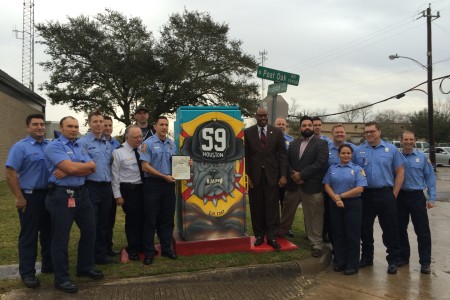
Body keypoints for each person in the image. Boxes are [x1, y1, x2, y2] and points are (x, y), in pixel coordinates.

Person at [45, 116, 103, 294]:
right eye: (69, 126)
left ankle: (85, 267)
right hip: (61, 195)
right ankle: (61, 278)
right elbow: (72, 169)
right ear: (61, 128)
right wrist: (80, 167)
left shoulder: (80, 145)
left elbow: (94, 167)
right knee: (61, 238)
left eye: (76, 126)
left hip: (82, 193)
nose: (73, 129)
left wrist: (77, 167)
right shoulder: (54, 146)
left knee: (90, 230)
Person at [5, 114, 52, 288]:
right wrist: (19, 197)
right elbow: (10, 173)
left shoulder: (50, 146)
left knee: (49, 233)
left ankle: (49, 265)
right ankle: (27, 273)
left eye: (41, 124)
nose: (40, 127)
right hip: (30, 197)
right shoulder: (20, 147)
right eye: (35, 124)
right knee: (29, 236)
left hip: (49, 196)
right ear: (27, 127)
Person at [355, 121, 405, 275]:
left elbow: (400, 171)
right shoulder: (359, 150)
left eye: (372, 131)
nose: (369, 134)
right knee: (365, 228)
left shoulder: (391, 149)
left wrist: (395, 192)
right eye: (367, 132)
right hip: (366, 195)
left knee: (390, 228)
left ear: (379, 132)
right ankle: (367, 257)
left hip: (385, 194)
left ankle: (393, 260)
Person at [280, 116, 329, 257]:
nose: (307, 127)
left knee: (314, 217)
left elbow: (320, 163)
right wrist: (293, 175)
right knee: (286, 213)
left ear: (313, 127)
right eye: (304, 125)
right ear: (300, 128)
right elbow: (286, 162)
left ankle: (317, 244)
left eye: (309, 125)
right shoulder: (294, 144)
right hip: (293, 186)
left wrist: (301, 175)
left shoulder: (321, 144)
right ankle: (281, 236)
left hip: (312, 187)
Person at [244, 108, 287, 250]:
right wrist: (247, 177)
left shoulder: (277, 132)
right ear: (255, 116)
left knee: (272, 207)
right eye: (260, 115)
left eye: (265, 115)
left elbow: (282, 156)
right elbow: (246, 157)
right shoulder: (248, 132)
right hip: (254, 178)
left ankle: (271, 236)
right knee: (256, 207)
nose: (263, 118)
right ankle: (259, 235)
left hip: (272, 177)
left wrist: (283, 175)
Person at [77, 110, 115, 265]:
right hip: (90, 187)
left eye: (101, 122)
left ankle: (101, 255)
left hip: (106, 187)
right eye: (95, 122)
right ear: (89, 123)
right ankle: (89, 257)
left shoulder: (107, 144)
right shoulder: (83, 143)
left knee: (103, 223)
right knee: (91, 223)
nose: (99, 125)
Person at [323, 144, 367, 275]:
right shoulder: (332, 168)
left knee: (352, 234)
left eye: (348, 153)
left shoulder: (358, 169)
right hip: (335, 204)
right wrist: (336, 199)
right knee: (338, 233)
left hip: (353, 204)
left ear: (352, 154)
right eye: (343, 153)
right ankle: (340, 261)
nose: (346, 155)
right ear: (339, 155)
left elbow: (360, 188)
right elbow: (326, 185)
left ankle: (352, 264)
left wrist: (341, 196)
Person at [140, 116, 178, 264]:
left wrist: (186, 164)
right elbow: (145, 166)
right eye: (161, 124)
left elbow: (176, 165)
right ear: (155, 127)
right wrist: (163, 176)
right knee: (150, 219)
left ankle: (167, 249)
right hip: (153, 185)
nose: (164, 127)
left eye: (166, 125)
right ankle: (149, 252)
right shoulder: (147, 144)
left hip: (168, 185)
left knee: (167, 219)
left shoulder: (172, 144)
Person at [397, 131, 436, 274]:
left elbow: (430, 178)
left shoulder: (422, 158)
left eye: (411, 139)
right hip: (400, 197)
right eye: (405, 139)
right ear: (401, 141)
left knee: (422, 231)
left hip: (417, 197)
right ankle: (403, 257)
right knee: (400, 229)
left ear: (415, 141)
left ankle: (425, 262)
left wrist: (431, 198)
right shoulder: (396, 157)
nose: (408, 142)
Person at [111, 125, 145, 261]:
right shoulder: (118, 152)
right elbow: (115, 176)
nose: (139, 139)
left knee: (144, 217)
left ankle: (143, 245)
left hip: (143, 189)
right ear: (127, 137)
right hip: (128, 190)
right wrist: (117, 195)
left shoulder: (143, 149)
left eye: (140, 136)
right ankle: (133, 248)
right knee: (132, 220)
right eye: (135, 137)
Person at [325, 124, 357, 244]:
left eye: (342, 132)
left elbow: (358, 168)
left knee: (349, 225)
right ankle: (334, 249)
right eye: (337, 132)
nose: (340, 134)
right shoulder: (326, 148)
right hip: (330, 190)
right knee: (332, 223)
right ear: (332, 134)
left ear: (345, 134)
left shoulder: (353, 149)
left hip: (350, 193)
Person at [103, 116, 121, 257]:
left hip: (112, 184)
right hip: (98, 185)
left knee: (110, 219)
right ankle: (99, 249)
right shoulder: (88, 143)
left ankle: (108, 247)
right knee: (98, 220)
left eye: (110, 125)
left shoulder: (116, 144)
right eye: (105, 125)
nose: (108, 128)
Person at [274, 117, 294, 238]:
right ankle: (273, 226)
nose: (281, 126)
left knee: (286, 204)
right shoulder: (269, 139)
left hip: (286, 177)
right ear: (274, 125)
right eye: (279, 124)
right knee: (273, 203)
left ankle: (286, 228)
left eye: (283, 124)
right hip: (272, 176)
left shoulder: (291, 140)